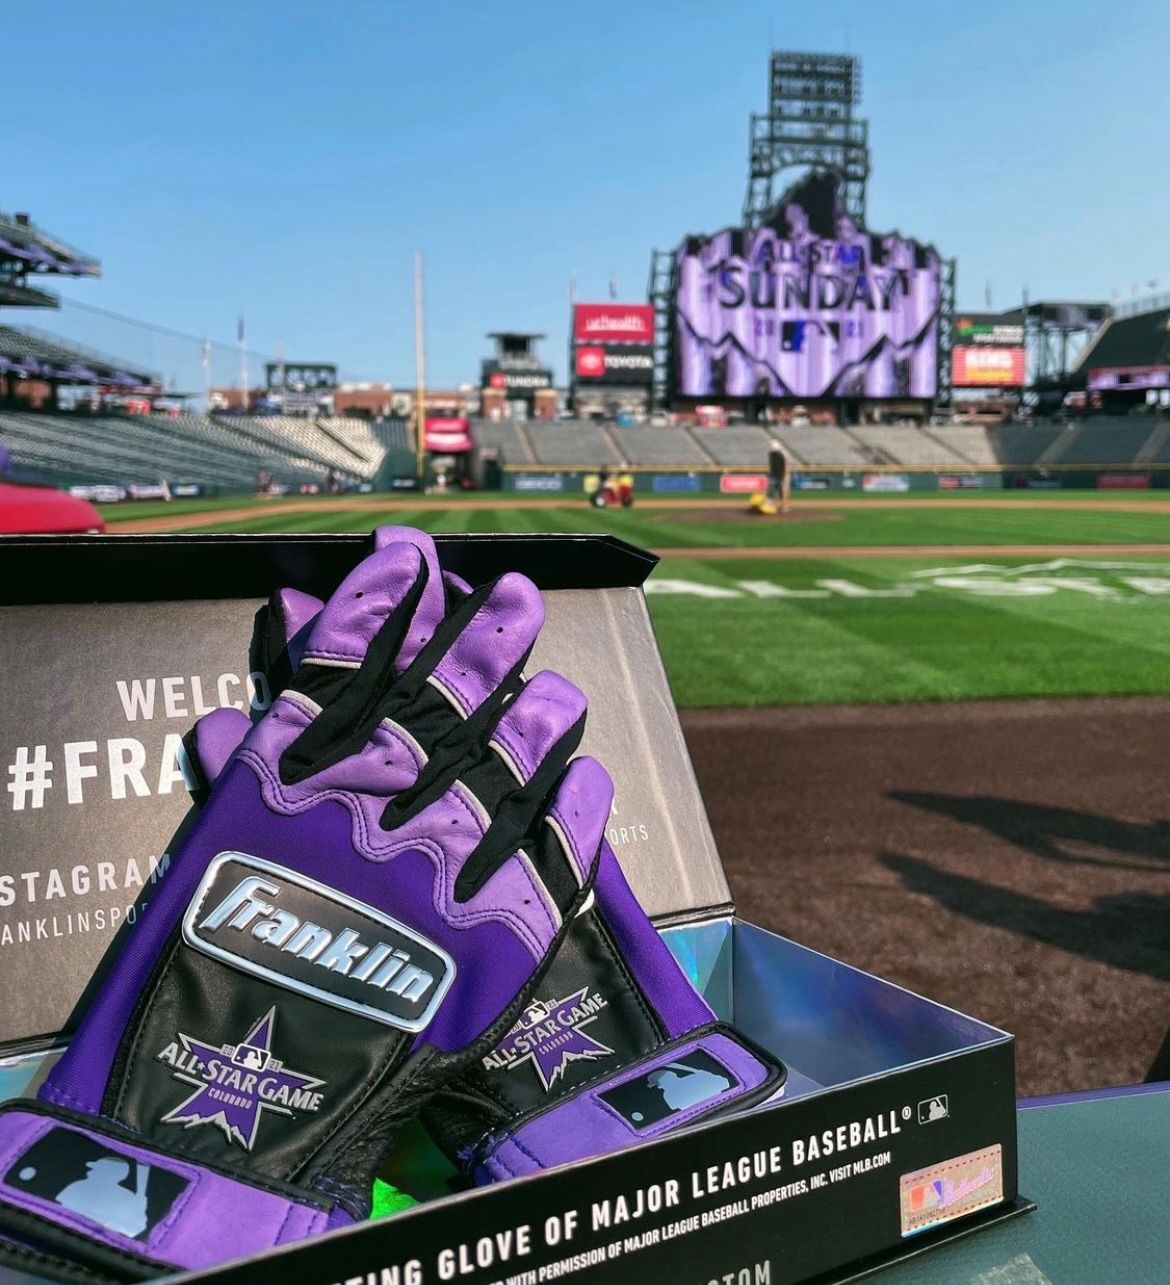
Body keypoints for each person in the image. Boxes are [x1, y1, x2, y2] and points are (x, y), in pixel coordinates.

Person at [767, 438, 791, 513]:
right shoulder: (771, 453)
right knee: (771, 490)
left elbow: (786, 466)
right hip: (774, 474)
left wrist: (785, 477)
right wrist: (771, 474)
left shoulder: (784, 454)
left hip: (783, 474)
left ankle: (784, 507)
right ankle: (770, 505)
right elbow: (772, 465)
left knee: (783, 492)